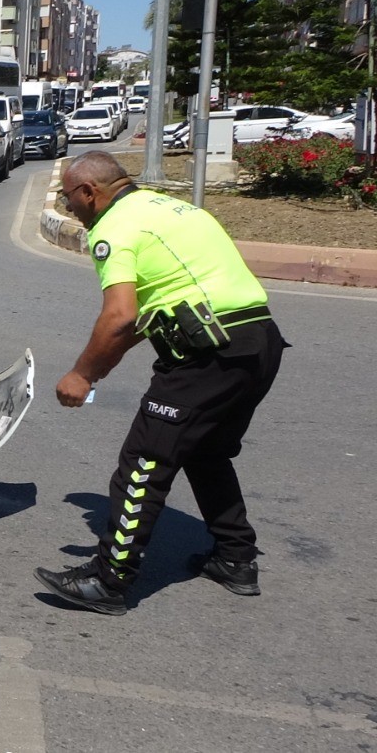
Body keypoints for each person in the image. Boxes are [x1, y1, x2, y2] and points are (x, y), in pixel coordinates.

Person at [35, 151, 287, 615]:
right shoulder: (179, 210)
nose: (69, 208)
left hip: (206, 354)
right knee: (206, 452)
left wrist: (82, 375)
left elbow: (119, 317)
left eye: (69, 199)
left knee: (143, 462)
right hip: (259, 343)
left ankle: (109, 581)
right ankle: (236, 558)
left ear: (90, 192)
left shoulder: (113, 227)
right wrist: (101, 364)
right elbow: (146, 319)